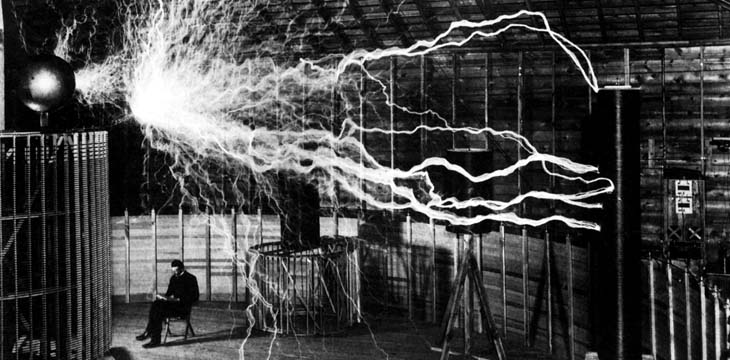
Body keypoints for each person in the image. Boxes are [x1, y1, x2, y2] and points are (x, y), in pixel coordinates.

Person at [136, 259, 199, 348]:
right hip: (174, 305)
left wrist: (179, 299)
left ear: (182, 268)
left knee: (158, 311)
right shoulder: (173, 278)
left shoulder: (191, 278)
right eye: (173, 271)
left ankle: (154, 338)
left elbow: (195, 297)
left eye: (177, 271)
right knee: (156, 304)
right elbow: (168, 293)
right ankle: (150, 334)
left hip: (183, 308)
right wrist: (163, 297)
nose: (175, 273)